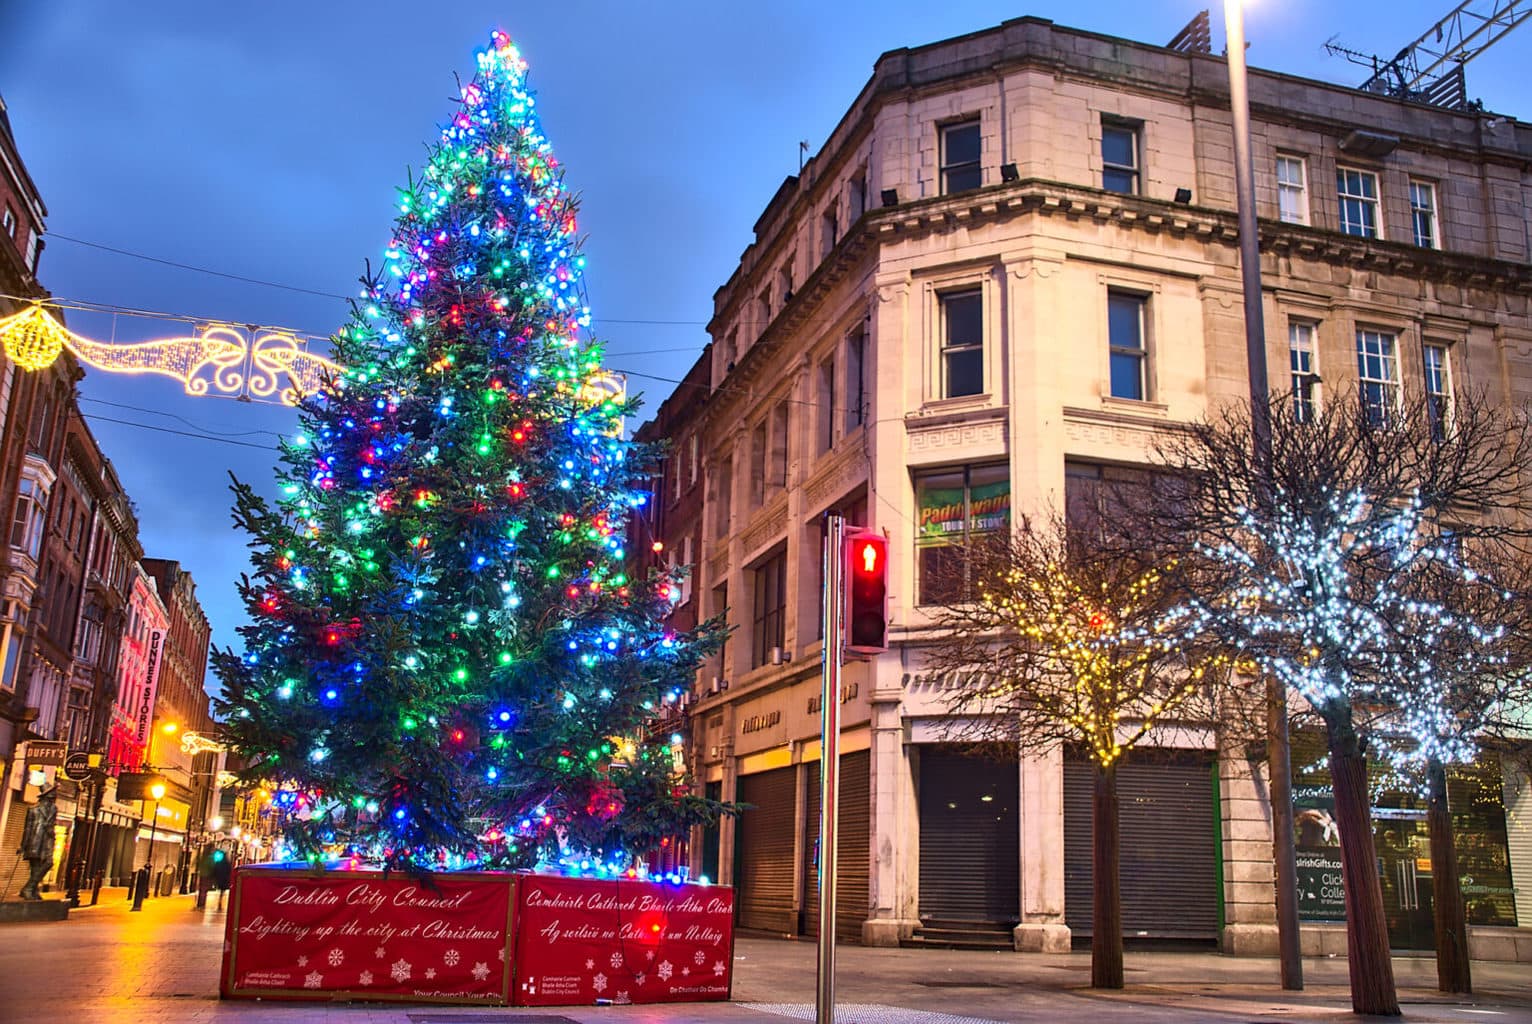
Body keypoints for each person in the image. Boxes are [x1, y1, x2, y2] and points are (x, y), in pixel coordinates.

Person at [17, 786, 58, 901]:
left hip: (47, 841)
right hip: (35, 841)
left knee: (48, 863)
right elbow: (28, 829)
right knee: (35, 868)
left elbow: (51, 825)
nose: (51, 801)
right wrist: (23, 845)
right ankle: (31, 890)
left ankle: (29, 889)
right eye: (50, 798)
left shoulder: (54, 809)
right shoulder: (33, 810)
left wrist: (52, 834)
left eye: (53, 798)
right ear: (44, 798)